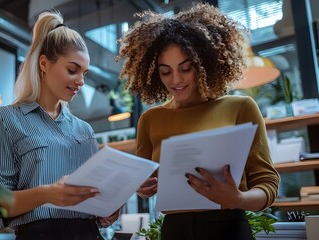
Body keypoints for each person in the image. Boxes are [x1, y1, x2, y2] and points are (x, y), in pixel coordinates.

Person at [116, 3, 280, 240]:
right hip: (174, 229)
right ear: (154, 73)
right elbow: (145, 184)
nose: (176, 80)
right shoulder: (150, 119)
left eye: (186, 68)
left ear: (205, 63)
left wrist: (238, 199)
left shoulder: (240, 107)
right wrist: (143, 188)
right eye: (165, 71)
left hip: (229, 226)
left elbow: (267, 183)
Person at [0, 11, 118, 240]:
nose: (81, 81)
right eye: (72, 70)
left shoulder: (85, 131)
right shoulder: (5, 119)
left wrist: (107, 210)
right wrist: (46, 194)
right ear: (44, 63)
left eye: (84, 73)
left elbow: (95, 197)